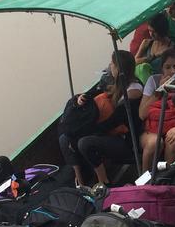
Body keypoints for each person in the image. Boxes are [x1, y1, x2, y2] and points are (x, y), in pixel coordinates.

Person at [58, 49, 143, 188]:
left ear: (118, 68)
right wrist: (82, 97)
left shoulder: (133, 91)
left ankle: (104, 183)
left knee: (84, 142)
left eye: (112, 64)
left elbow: (112, 123)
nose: (110, 66)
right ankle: (81, 181)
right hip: (113, 134)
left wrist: (82, 133)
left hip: (128, 140)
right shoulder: (115, 83)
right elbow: (97, 91)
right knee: (65, 137)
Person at [138, 48, 175, 170]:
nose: (172, 71)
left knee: (174, 142)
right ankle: (145, 183)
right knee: (154, 143)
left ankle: (166, 180)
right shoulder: (153, 81)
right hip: (152, 130)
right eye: (167, 67)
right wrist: (159, 91)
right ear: (162, 69)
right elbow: (142, 114)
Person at [134, 12, 174, 80]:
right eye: (149, 31)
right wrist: (151, 58)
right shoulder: (147, 42)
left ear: (161, 30)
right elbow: (135, 61)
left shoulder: (170, 47)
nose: (151, 34)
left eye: (154, 31)